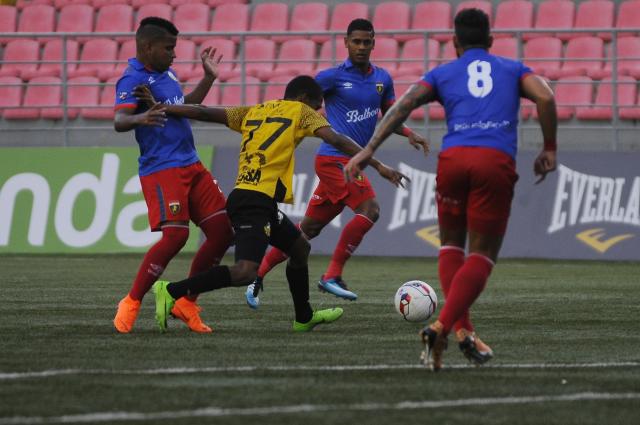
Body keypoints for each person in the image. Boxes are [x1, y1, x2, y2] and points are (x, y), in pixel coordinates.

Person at [345, 9, 558, 371]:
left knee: (449, 246)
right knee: (482, 255)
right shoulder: (512, 68)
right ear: (491, 41)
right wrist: (549, 146)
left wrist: (369, 149)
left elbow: (404, 104)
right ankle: (441, 327)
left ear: (455, 42)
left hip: (453, 160)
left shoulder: (443, 73)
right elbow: (546, 97)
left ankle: (463, 334)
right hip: (494, 161)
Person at [135, 75, 407, 332]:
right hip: (252, 202)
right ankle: (171, 290)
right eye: (317, 106)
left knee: (299, 248)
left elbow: (204, 112)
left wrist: (165, 109)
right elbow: (335, 139)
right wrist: (377, 164)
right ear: (303, 98)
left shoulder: (253, 111)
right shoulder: (300, 111)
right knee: (245, 271)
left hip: (255, 199)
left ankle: (304, 317)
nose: (318, 112)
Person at [245, 18, 429, 308]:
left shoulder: (383, 79)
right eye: (356, 41)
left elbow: (389, 114)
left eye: (366, 42)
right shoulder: (330, 77)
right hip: (334, 160)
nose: (361, 47)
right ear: (345, 42)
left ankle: (257, 276)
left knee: (305, 232)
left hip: (350, 161)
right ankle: (332, 275)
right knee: (370, 210)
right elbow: (299, 103)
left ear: (373, 43)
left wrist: (408, 133)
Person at [112, 17, 233, 334]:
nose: (174, 54)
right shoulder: (132, 80)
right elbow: (120, 121)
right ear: (148, 47)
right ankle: (132, 301)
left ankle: (186, 302)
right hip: (162, 168)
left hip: (191, 164)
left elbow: (186, 105)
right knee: (176, 235)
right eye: (169, 48)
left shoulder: (166, 73)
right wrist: (143, 115)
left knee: (223, 231)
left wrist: (208, 79)